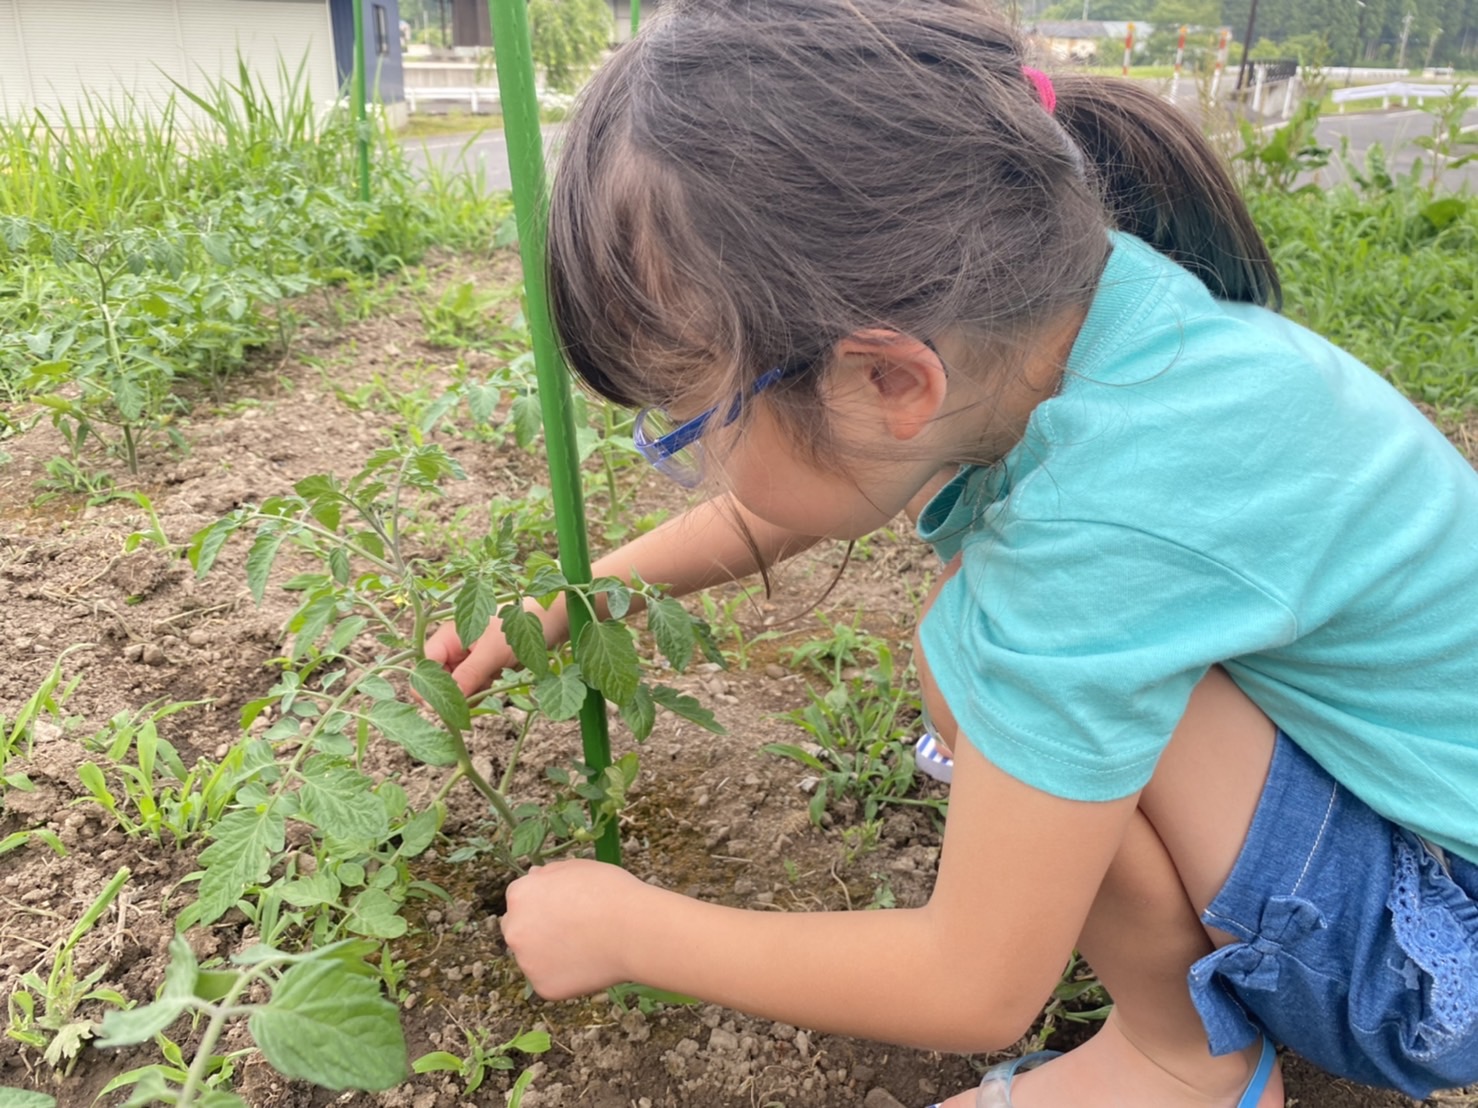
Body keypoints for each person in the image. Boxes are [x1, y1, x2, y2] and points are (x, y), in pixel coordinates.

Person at [428, 2, 1478, 1104]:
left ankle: (1182, 1061)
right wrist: (576, 600)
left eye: (692, 429)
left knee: (975, 649)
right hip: (1420, 823)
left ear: (888, 379)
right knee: (996, 652)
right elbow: (797, 486)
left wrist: (628, 928)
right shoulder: (1069, 320)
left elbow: (972, 983)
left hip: (1438, 959)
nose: (708, 474)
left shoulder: (1097, 529)